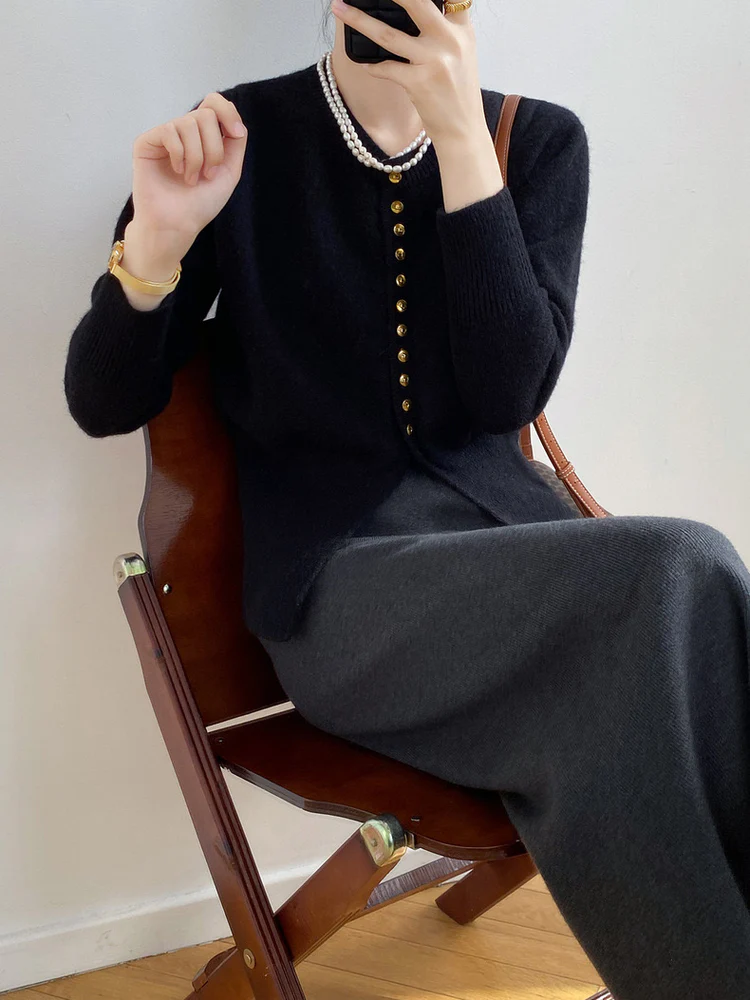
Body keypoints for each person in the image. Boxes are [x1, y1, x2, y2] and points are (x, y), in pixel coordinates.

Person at [64, 0, 750, 996]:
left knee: (618, 692)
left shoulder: (534, 143)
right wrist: (156, 247)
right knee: (681, 564)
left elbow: (510, 393)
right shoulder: (237, 144)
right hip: (341, 598)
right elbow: (102, 400)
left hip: (528, 590)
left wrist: (462, 140)